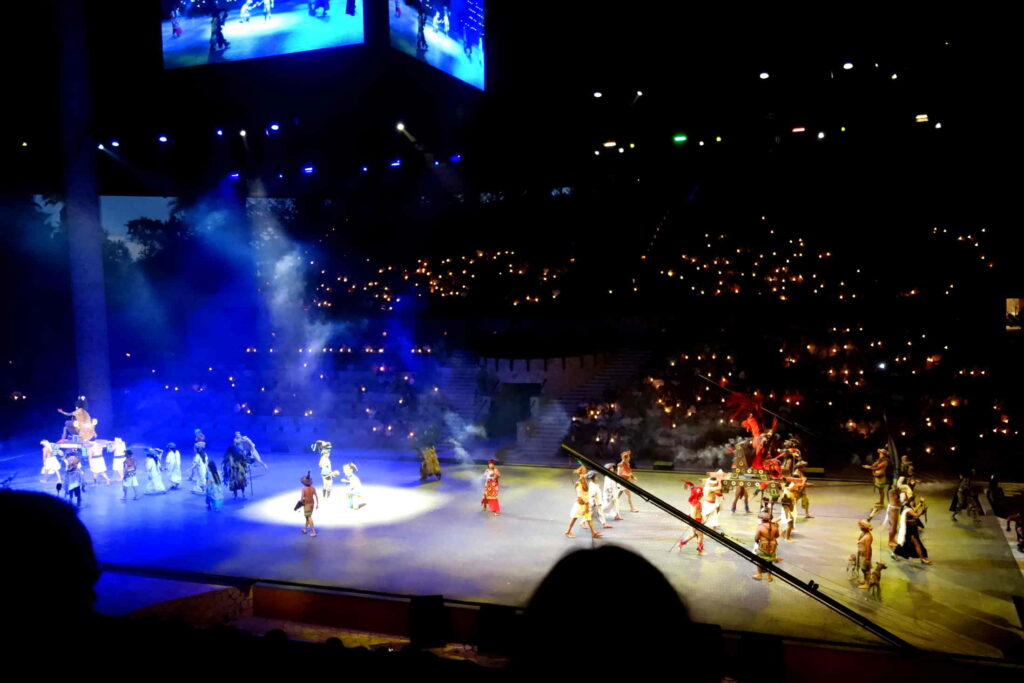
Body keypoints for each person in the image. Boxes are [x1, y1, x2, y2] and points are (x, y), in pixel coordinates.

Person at [565, 467, 603, 539]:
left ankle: (594, 533)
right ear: (581, 473)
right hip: (580, 505)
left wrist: (587, 504)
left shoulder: (585, 481)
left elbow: (586, 494)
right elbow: (580, 496)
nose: (586, 473)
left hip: (585, 504)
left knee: (589, 518)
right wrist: (586, 504)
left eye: (586, 472)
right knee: (574, 518)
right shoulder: (578, 483)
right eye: (584, 472)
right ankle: (568, 531)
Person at [894, 498, 931, 564]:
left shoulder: (906, 507)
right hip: (909, 530)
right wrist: (923, 512)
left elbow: (914, 511)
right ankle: (922, 558)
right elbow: (916, 515)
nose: (912, 501)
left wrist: (920, 503)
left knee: (905, 544)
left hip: (912, 528)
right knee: (916, 544)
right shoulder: (906, 509)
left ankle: (894, 554)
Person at [678, 482, 707, 555]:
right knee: (700, 535)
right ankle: (700, 550)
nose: (702, 496)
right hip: (696, 521)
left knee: (693, 535)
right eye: (701, 495)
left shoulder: (694, 502)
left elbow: (694, 513)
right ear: (699, 495)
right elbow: (693, 514)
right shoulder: (696, 503)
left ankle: (681, 543)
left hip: (696, 520)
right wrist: (695, 523)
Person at [863, 448, 890, 521]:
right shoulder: (880, 460)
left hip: (881, 478)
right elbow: (875, 465)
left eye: (881, 454)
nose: (879, 455)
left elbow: (877, 467)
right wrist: (874, 465)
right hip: (878, 477)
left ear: (884, 455)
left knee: (881, 490)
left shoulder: (885, 462)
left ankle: (882, 502)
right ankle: (880, 501)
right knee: (880, 491)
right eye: (879, 453)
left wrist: (869, 467)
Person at [752, 511, 779, 582]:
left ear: (762, 519)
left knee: (759, 561)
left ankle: (759, 574)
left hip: (763, 547)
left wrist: (758, 540)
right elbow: (777, 536)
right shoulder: (775, 526)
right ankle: (769, 576)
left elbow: (756, 538)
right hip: (772, 546)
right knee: (770, 562)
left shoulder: (760, 527)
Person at [854, 519, 874, 587]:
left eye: (861, 526)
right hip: (861, 554)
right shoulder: (863, 534)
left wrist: (867, 559)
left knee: (866, 570)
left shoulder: (868, 537)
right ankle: (865, 580)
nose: (860, 527)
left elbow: (868, 548)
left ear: (864, 527)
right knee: (863, 569)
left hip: (865, 555)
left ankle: (867, 583)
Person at [299, 472, 318, 537]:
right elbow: (316, 496)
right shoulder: (313, 488)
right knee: (307, 516)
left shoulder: (303, 489)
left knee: (309, 517)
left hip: (307, 504)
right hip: (312, 503)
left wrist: (299, 503)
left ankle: (313, 531)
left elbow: (302, 499)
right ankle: (305, 529)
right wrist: (317, 504)